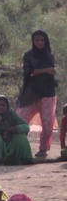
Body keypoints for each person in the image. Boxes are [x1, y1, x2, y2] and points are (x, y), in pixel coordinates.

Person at [17, 29, 57, 160]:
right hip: (31, 92)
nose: (40, 42)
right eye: (37, 40)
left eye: (42, 40)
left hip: (48, 93)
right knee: (21, 119)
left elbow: (52, 73)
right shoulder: (29, 55)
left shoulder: (49, 54)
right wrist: (46, 70)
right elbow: (28, 72)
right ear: (33, 41)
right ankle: (18, 147)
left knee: (47, 122)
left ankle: (43, 149)